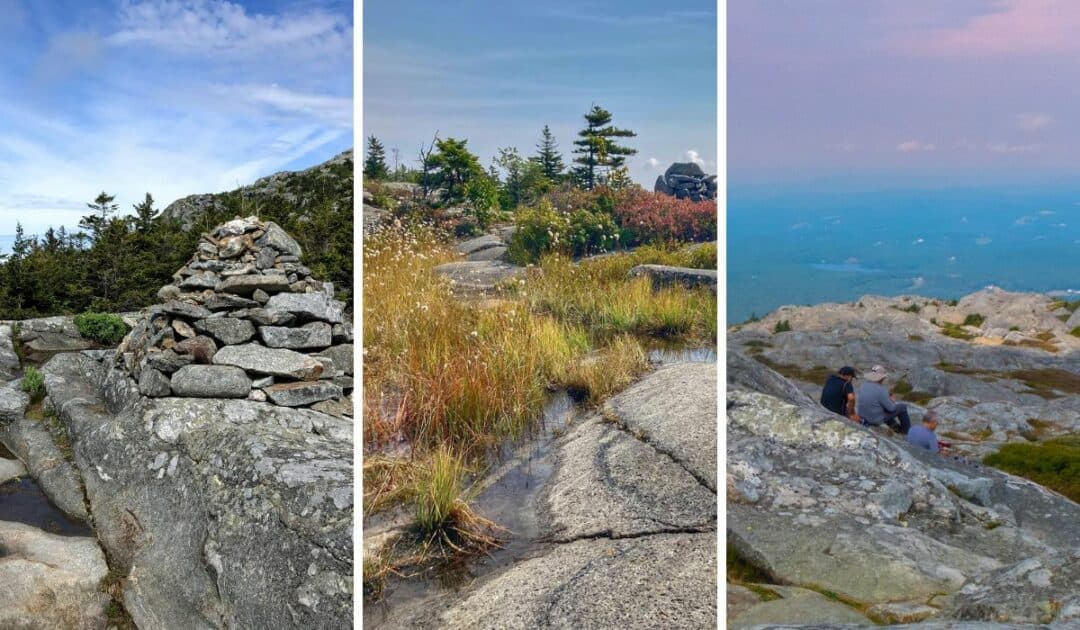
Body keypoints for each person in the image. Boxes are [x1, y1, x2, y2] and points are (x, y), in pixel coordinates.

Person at [855, 365, 911, 434]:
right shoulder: (881, 390)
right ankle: (905, 431)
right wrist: (892, 400)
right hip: (874, 420)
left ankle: (895, 427)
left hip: (862, 417)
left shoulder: (863, 385)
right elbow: (892, 408)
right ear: (881, 378)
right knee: (902, 407)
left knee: (882, 407)